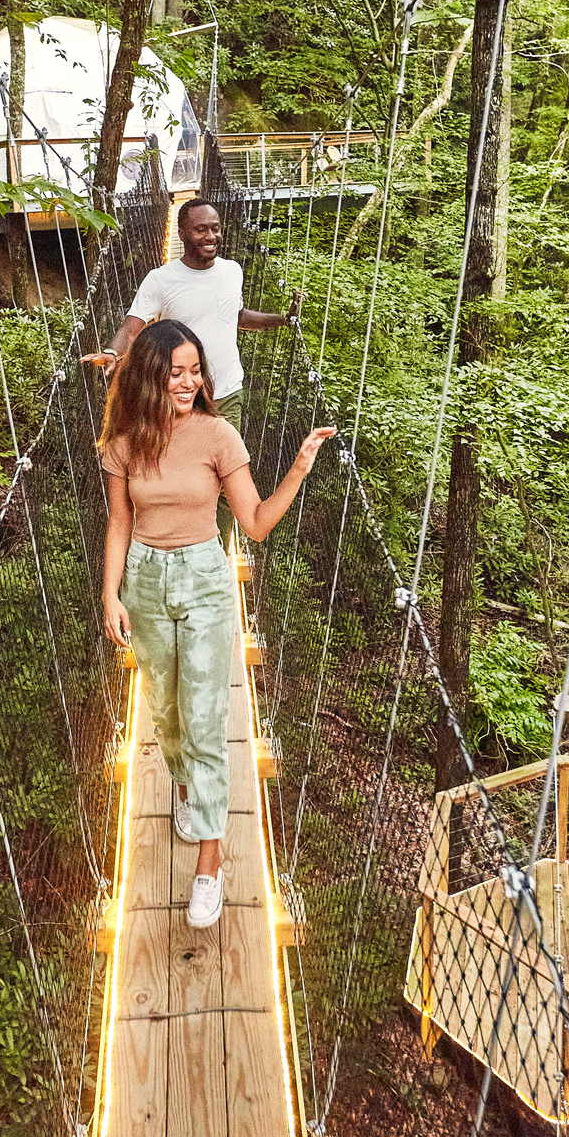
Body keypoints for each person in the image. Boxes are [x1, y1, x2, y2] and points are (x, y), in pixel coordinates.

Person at [99, 319, 334, 929]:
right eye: (174, 372)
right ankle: (185, 786)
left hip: (205, 580)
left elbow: (254, 523)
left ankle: (211, 863)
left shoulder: (218, 435)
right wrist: (110, 595)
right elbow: (119, 521)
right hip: (146, 580)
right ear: (149, 377)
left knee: (205, 722)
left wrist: (299, 468)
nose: (187, 382)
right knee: (166, 713)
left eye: (194, 371)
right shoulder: (124, 441)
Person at [85, 198, 300, 540]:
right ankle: (175, 541)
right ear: (182, 233)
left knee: (228, 478)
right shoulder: (161, 280)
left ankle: (217, 550)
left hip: (226, 391)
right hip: (179, 395)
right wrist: (114, 351)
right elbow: (132, 326)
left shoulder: (232, 271)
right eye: (201, 229)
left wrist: (281, 320)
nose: (210, 236)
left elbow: (235, 316)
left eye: (215, 229)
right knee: (178, 477)